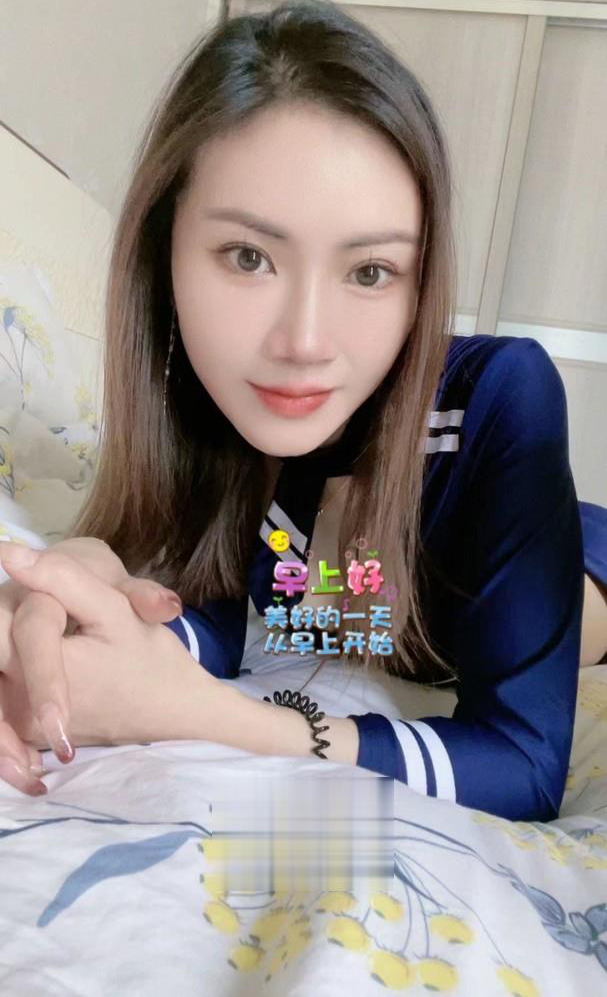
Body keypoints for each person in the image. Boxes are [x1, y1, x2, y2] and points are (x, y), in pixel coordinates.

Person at [0, 0, 606, 821]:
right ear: (163, 252)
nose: (304, 343)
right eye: (248, 257)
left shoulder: (501, 396)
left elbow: (524, 764)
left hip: (567, 553)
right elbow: (200, 621)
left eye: (369, 271)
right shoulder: (211, 405)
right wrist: (77, 596)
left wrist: (206, 716)